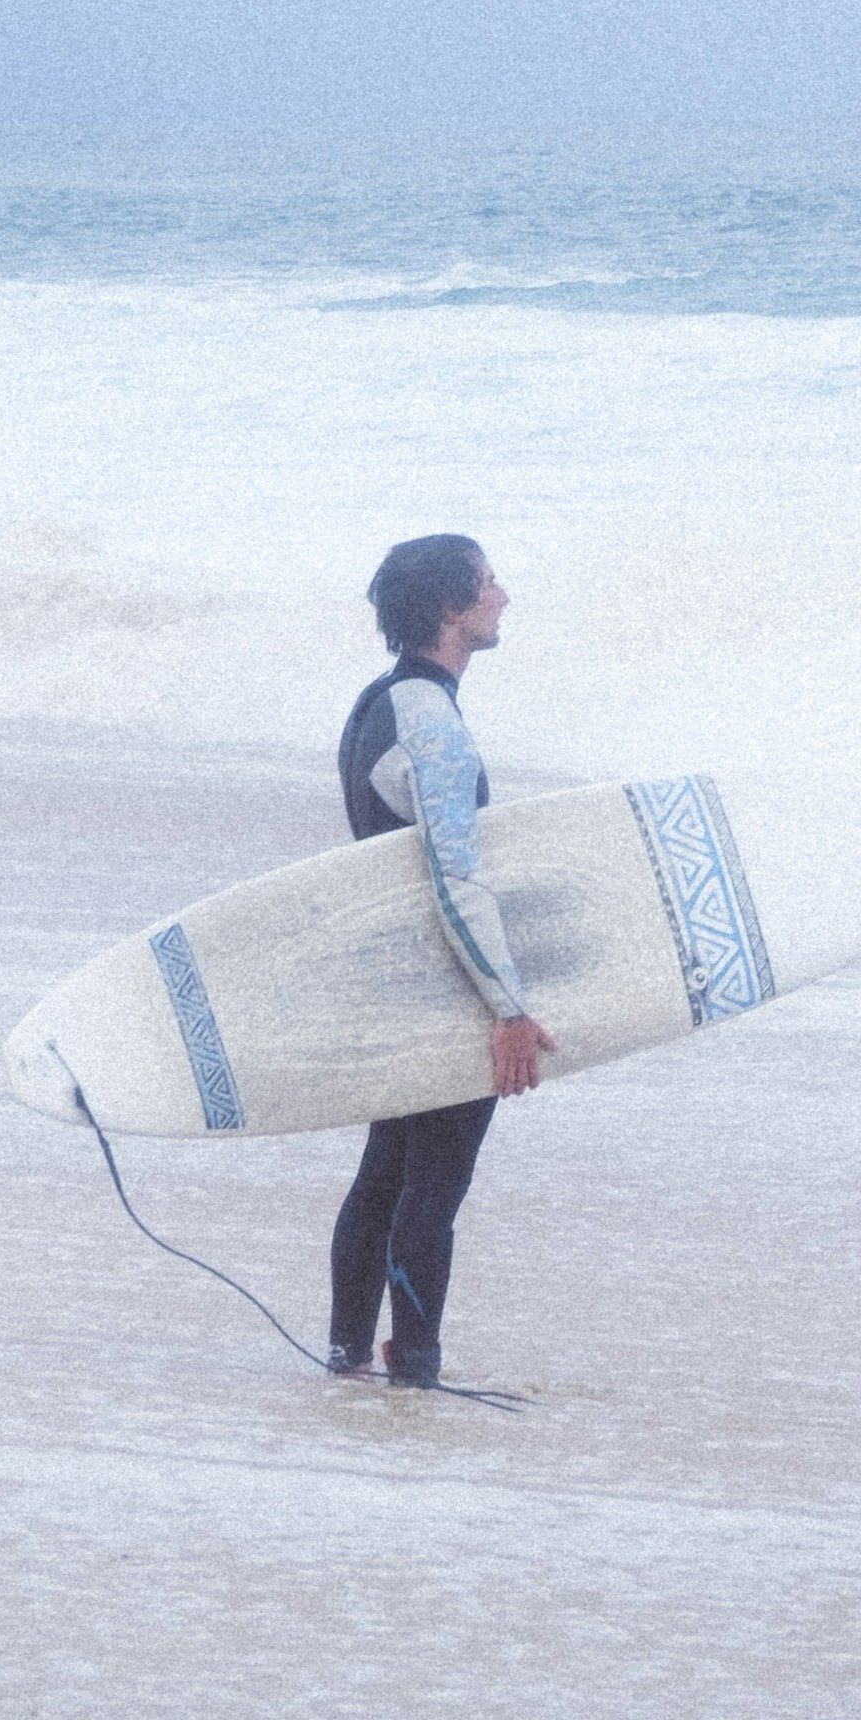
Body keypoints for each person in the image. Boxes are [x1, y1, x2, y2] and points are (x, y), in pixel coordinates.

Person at [325, 535, 539, 1393]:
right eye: (489, 583)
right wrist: (508, 1006)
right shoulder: (430, 723)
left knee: (387, 1167)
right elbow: (455, 880)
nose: (503, 596)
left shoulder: (375, 704)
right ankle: (413, 1362)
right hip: (441, 986)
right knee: (433, 1180)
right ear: (452, 610)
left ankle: (347, 1352)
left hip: (392, 982)